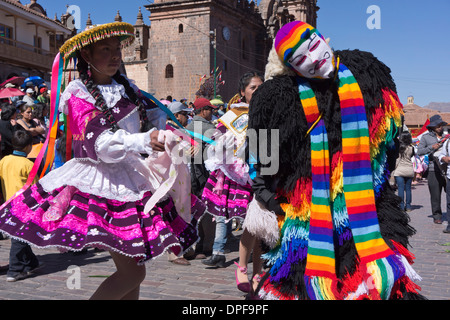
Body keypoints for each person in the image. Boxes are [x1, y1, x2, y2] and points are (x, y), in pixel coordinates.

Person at [0, 22, 204, 300]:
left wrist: (170, 132)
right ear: (87, 56)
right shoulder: (78, 93)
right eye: (105, 49)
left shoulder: (128, 88)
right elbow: (101, 145)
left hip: (132, 176)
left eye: (117, 48)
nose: (115, 55)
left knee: (135, 271)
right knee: (133, 273)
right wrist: (144, 140)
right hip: (100, 182)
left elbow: (154, 116)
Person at [246, 21, 424, 300]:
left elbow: (389, 131)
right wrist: (272, 201)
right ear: (292, 68)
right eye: (301, 60)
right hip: (307, 225)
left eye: (315, 46)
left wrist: (376, 179)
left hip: (371, 213)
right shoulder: (275, 98)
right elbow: (261, 159)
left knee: (381, 285)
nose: (315, 60)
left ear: (323, 38)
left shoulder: (366, 72)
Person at [0, 130, 41, 281]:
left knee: (21, 235)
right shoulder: (28, 164)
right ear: (29, 147)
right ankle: (15, 270)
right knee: (19, 237)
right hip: (23, 206)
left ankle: (31, 263)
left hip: (7, 203)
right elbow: (36, 188)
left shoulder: (4, 160)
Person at [184, 97, 219, 260]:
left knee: (193, 211)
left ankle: (194, 244)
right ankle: (206, 246)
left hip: (189, 176)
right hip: (206, 176)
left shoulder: (187, 128)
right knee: (207, 211)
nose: (212, 112)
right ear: (203, 110)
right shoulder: (211, 128)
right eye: (210, 109)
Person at [417, 114, 448, 224]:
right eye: (438, 125)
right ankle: (437, 216)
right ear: (432, 127)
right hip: (433, 169)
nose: (440, 127)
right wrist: (431, 147)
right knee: (435, 195)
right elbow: (419, 151)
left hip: (446, 170)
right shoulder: (425, 138)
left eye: (441, 125)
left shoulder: (447, 137)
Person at [393, 131, 415, 211]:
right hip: (409, 170)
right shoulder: (412, 148)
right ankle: (408, 206)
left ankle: (401, 206)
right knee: (408, 189)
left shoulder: (399, 148)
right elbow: (412, 156)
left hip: (399, 170)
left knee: (401, 189)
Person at [436, 136, 450, 233]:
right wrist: (444, 158)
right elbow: (441, 155)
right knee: (449, 202)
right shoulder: (448, 142)